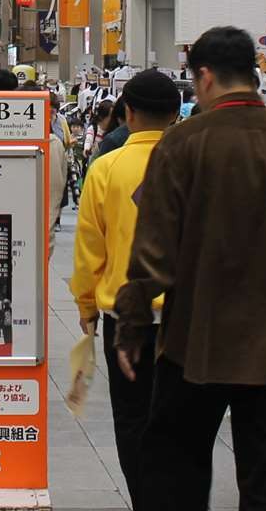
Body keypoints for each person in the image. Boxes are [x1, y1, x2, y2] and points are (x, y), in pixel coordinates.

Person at [113, 27, 266, 511]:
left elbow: (154, 250)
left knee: (176, 466)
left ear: (205, 77)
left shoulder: (183, 143)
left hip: (197, 339)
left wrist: (131, 323)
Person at [71, 69, 179, 503]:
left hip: (125, 316)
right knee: (180, 419)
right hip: (185, 316)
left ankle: (145, 500)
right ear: (176, 115)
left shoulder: (105, 168)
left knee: (133, 418)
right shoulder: (194, 164)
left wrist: (86, 305)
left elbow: (90, 247)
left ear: (127, 113)